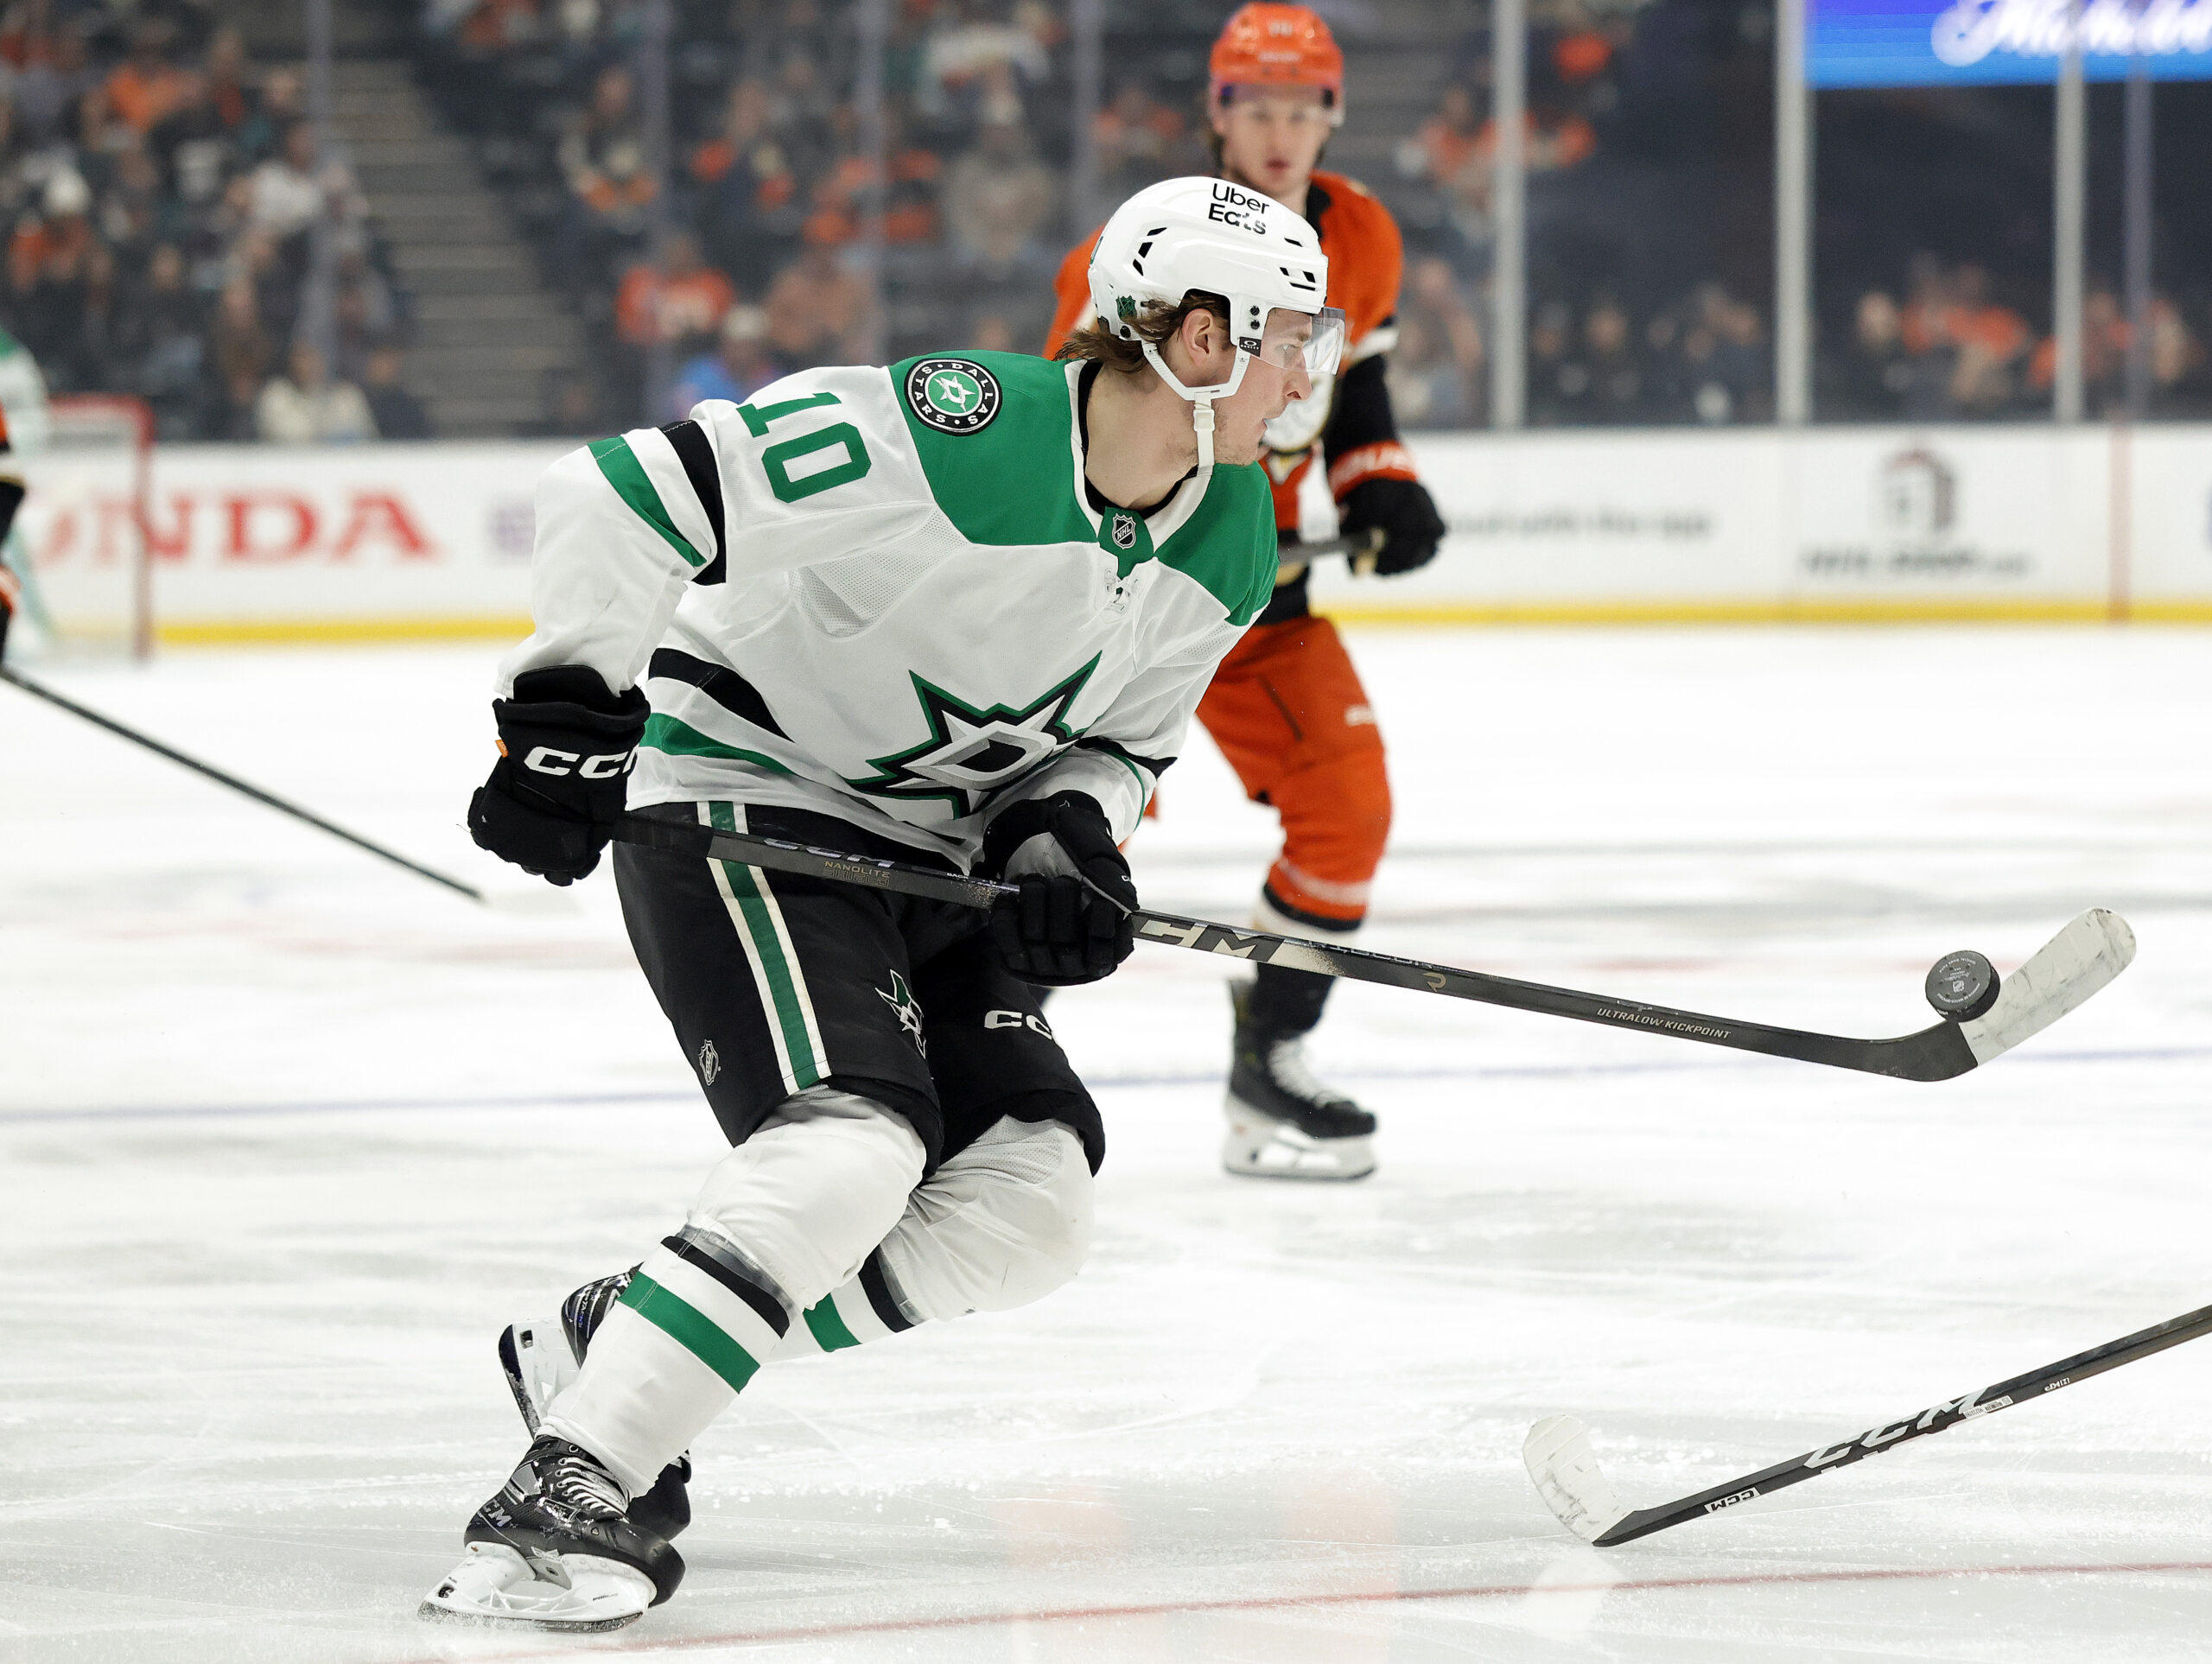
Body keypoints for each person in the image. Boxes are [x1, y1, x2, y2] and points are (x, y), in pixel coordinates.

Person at [423, 175, 1344, 1631]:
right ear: (1192, 333)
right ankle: (571, 1484)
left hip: (935, 861)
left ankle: (619, 1339)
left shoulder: (1230, 529)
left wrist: (1070, 843)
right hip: (747, 808)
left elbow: (1121, 744)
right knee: (857, 1141)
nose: (1312, 367)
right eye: (1290, 332)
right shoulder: (953, 426)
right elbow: (618, 490)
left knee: (1031, 1205)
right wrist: (565, 715)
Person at [1044, 3, 1446, 1183]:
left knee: (1348, 809)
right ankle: (963, 1059)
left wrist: (1383, 482)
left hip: (1263, 596)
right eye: (1254, 107)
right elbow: (1076, 422)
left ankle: (1268, 1062)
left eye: (1299, 107)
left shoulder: (1363, 236)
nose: (1278, 132)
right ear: (1217, 115)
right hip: (1133, 590)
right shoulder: (1147, 246)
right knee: (1050, 833)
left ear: (1332, 115)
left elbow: (1350, 395)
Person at [256, 340, 377, 442]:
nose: (307, 365)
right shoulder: (276, 396)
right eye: (302, 357)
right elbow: (283, 438)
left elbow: (367, 440)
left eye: (313, 357)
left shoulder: (348, 398)